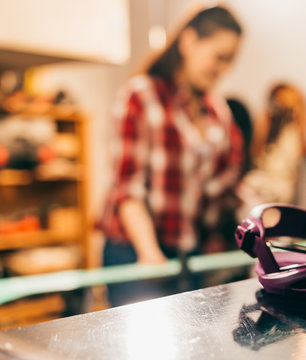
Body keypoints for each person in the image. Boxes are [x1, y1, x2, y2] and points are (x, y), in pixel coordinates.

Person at [98, 6, 244, 306]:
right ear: (189, 42)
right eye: (219, 56)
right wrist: (148, 251)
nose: (224, 68)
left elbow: (227, 186)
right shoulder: (140, 96)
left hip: (188, 255)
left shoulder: (218, 111)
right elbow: (128, 188)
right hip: (135, 254)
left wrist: (269, 220)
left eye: (230, 60)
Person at [237, 83, 306, 217]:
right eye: (277, 102)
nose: (281, 108)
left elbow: (283, 170)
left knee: (247, 187)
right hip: (264, 182)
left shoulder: (293, 134)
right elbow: (256, 154)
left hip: (280, 185)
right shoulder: (267, 127)